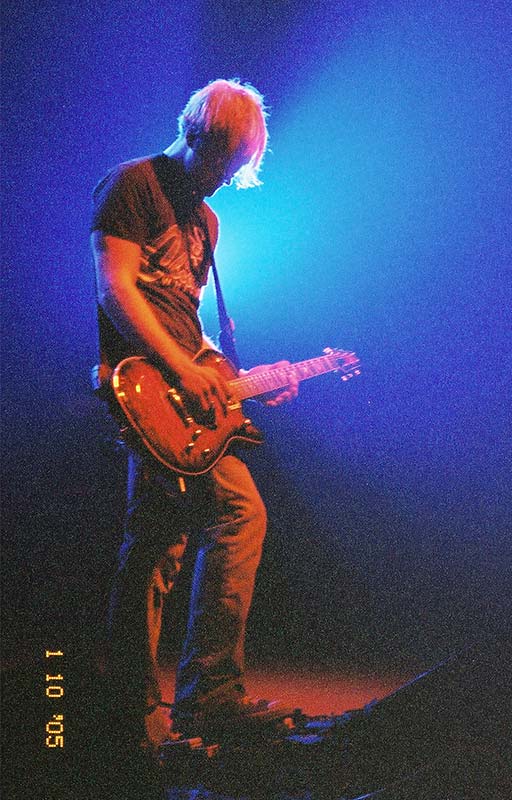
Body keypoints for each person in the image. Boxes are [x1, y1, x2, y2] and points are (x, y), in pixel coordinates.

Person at [90, 79, 298, 762]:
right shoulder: (131, 185)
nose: (223, 180)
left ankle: (206, 696)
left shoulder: (207, 223)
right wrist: (181, 372)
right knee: (160, 542)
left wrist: (238, 382)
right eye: (221, 162)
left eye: (236, 170)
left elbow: (188, 320)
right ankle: (132, 718)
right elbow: (117, 288)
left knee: (198, 526)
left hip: (187, 396)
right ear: (196, 134)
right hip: (144, 390)